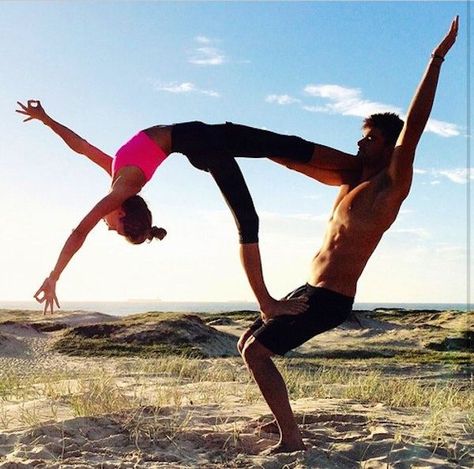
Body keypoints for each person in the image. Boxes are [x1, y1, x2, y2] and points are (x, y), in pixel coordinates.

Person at [237, 17, 459, 454]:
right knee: (245, 342)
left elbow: (413, 126)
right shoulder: (350, 181)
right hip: (310, 287)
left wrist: (436, 58)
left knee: (256, 353)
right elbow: (300, 160)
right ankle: (283, 420)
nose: (360, 144)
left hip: (330, 298)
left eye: (369, 138)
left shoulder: (390, 184)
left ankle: (291, 438)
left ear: (388, 144)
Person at [17, 99, 357, 315]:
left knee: (284, 149)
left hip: (204, 137)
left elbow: (81, 148)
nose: (106, 225)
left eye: (111, 228)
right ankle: (266, 303)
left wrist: (47, 120)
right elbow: (80, 231)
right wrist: (54, 276)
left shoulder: (119, 179)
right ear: (124, 214)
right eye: (114, 229)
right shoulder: (124, 186)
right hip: (202, 143)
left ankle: (353, 171)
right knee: (248, 216)